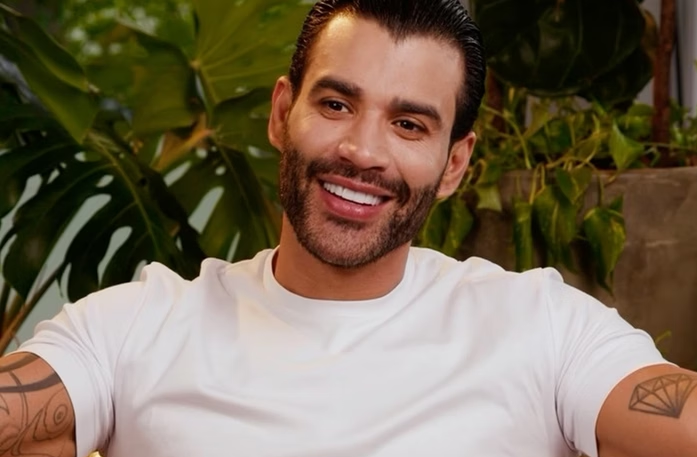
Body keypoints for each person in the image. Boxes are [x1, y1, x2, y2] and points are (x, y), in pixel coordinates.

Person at [1, 0, 696, 456]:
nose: (362, 151)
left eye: (408, 124)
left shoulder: (542, 326)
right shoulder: (134, 327)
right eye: (336, 104)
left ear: (454, 163)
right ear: (282, 113)